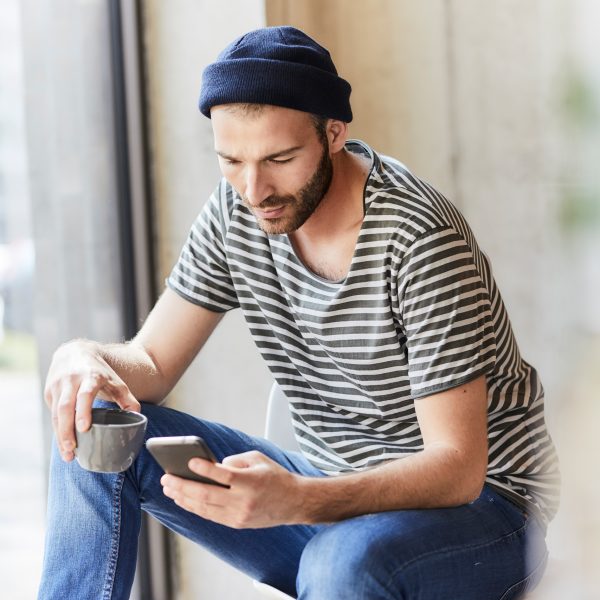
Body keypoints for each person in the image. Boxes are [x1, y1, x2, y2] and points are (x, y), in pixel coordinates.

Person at [38, 26, 560, 600]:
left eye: (279, 159)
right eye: (231, 160)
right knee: (96, 424)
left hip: (485, 511)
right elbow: (151, 362)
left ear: (334, 133)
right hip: (323, 490)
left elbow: (456, 467)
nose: (254, 189)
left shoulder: (417, 238)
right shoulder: (237, 211)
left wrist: (300, 498)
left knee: (340, 568)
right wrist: (81, 356)